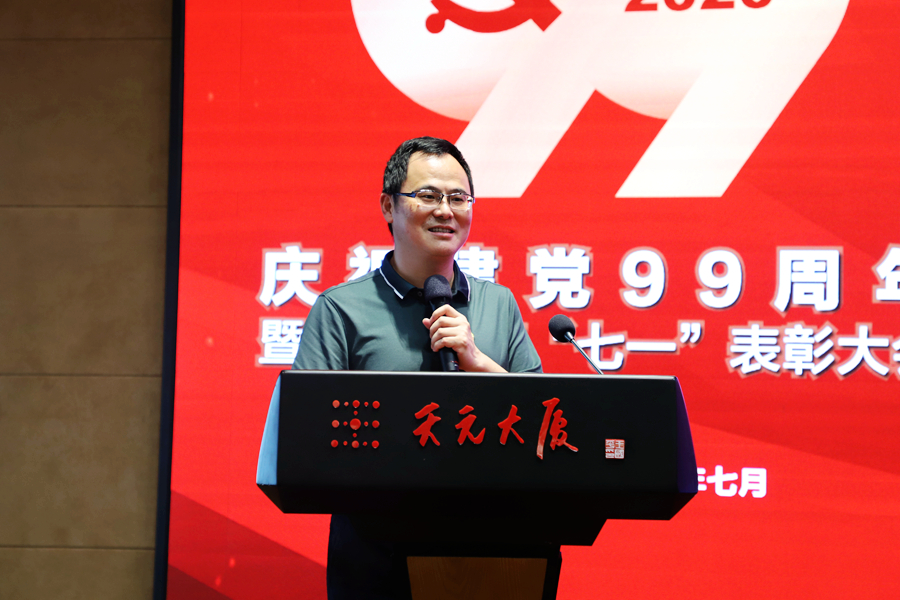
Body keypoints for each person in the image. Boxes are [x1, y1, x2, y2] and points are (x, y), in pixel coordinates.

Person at [293, 136, 542, 599]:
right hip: (374, 554)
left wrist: (477, 362)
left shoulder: (499, 304)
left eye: (459, 198)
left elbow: (542, 425)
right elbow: (307, 436)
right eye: (428, 195)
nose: (446, 210)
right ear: (388, 206)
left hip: (494, 548)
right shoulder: (341, 310)